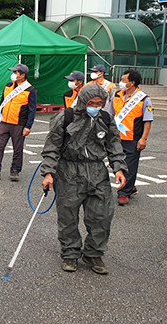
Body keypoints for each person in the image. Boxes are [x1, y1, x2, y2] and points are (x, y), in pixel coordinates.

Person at [40, 84, 127, 275]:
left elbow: (114, 144)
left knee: (102, 216)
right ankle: (70, 253)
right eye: (92, 103)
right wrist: (48, 173)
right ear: (83, 101)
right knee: (68, 216)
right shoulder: (66, 117)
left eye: (100, 103)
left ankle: (93, 253)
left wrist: (119, 168)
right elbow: (52, 146)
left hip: (97, 170)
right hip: (69, 171)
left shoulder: (105, 118)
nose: (96, 106)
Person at [105, 70, 153, 206]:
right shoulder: (117, 95)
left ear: (132, 83)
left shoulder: (143, 98)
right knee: (115, 162)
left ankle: (124, 193)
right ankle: (129, 187)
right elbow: (109, 114)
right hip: (115, 137)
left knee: (130, 166)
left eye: (123, 80)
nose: (120, 82)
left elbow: (148, 120)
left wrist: (144, 138)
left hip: (133, 138)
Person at [0, 64, 37, 182]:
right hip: (4, 122)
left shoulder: (30, 90)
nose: (13, 74)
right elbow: (2, 103)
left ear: (23, 75)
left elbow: (32, 110)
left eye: (16, 72)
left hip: (19, 124)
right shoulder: (8, 86)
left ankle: (15, 170)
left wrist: (28, 126)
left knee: (17, 149)